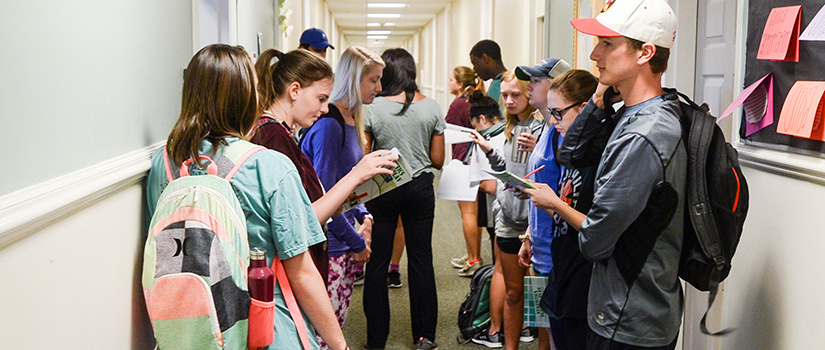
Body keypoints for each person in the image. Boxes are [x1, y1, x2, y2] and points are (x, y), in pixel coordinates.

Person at [146, 44, 350, 350]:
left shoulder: (164, 163)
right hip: (269, 326)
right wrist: (340, 345)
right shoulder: (269, 166)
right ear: (245, 98)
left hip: (194, 330)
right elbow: (302, 272)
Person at [534, 1, 686, 348]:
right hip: (618, 308)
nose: (593, 54)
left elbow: (595, 240)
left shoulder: (644, 133)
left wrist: (559, 206)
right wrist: (599, 95)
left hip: (630, 316)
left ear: (645, 52)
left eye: (607, 44)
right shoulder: (628, 115)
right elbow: (570, 153)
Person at [298, 46, 385, 346]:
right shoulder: (329, 126)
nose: (380, 87)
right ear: (353, 78)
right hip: (332, 245)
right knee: (327, 334)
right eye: (373, 79)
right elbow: (325, 197)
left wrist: (366, 217)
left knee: (338, 323)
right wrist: (357, 241)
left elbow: (348, 187)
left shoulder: (351, 119)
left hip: (346, 238)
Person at [362, 48, 445, 350]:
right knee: (422, 259)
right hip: (420, 188)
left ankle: (376, 339)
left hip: (384, 186)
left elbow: (364, 155)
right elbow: (438, 159)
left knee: (378, 261)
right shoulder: (432, 107)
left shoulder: (372, 107)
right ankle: (425, 335)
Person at [523, 69, 599, 350]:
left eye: (559, 114)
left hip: (582, 275)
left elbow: (596, 226)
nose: (553, 122)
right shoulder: (570, 149)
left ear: (583, 109)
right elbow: (567, 209)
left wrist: (553, 203)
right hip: (561, 263)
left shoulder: (599, 156)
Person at [468, 70, 541, 349]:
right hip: (508, 218)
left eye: (516, 95)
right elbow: (506, 171)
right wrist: (488, 151)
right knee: (513, 292)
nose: (508, 101)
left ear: (530, 94)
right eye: (505, 96)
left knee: (541, 292)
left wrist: (539, 149)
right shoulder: (509, 129)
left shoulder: (542, 128)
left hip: (535, 221)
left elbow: (550, 171)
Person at [446, 66, 486, 272]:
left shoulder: (457, 105)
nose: (449, 82)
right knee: (476, 212)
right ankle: (474, 254)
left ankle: (473, 259)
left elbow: (446, 130)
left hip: (463, 159)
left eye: (452, 79)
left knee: (468, 213)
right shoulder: (477, 101)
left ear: (460, 84)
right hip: (477, 160)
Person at [515, 58, 572, 125]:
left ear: (556, 84)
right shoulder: (538, 128)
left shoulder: (566, 129)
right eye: (530, 81)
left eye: (536, 81)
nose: (528, 87)